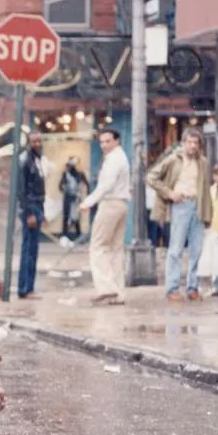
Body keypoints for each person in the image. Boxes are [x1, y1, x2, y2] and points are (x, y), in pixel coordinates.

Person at [147, 129, 212, 302]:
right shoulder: (173, 159)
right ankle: (172, 289)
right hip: (180, 205)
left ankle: (192, 288)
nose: (192, 146)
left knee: (197, 250)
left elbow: (206, 189)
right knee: (175, 250)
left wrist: (208, 214)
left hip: (198, 206)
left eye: (195, 143)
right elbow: (151, 177)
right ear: (183, 143)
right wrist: (169, 193)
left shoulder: (203, 162)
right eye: (189, 142)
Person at [78, 129, 129, 305]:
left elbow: (106, 185)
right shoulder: (121, 157)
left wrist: (88, 202)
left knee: (98, 247)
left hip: (110, 204)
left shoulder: (114, 159)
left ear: (117, 141)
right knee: (115, 249)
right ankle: (118, 293)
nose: (104, 145)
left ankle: (107, 288)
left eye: (108, 141)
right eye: (101, 142)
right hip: (121, 204)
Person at [14, 132, 45, 298]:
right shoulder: (25, 159)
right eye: (34, 141)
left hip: (38, 205)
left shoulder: (37, 159)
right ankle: (24, 288)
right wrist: (29, 213)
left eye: (39, 140)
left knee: (34, 250)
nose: (38, 143)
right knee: (28, 250)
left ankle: (29, 288)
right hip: (31, 207)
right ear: (28, 142)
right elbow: (22, 190)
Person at [197, 164, 218, 297]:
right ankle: (217, 285)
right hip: (213, 229)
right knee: (214, 258)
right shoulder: (210, 190)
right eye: (216, 174)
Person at [59, 157, 88, 240]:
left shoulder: (80, 174)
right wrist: (64, 188)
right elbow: (60, 186)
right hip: (68, 197)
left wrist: (86, 194)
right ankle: (64, 235)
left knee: (76, 216)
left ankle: (78, 235)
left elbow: (86, 184)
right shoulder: (65, 174)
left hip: (76, 197)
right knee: (66, 216)